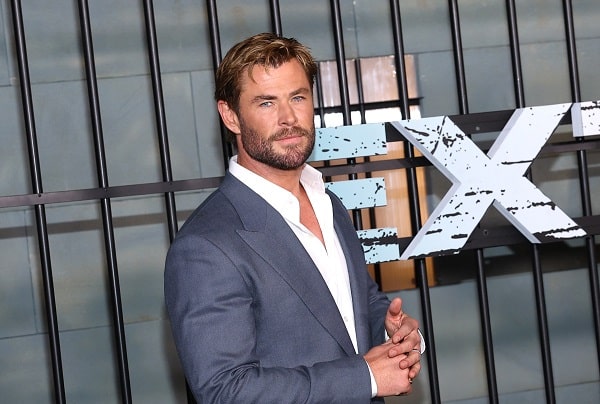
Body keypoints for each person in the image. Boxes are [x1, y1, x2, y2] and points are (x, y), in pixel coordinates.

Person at [164, 32, 424, 403]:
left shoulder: (326, 202)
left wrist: (391, 332)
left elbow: (349, 304)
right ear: (230, 115)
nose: (288, 118)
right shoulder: (205, 246)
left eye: (297, 97)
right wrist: (365, 377)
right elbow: (225, 392)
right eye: (266, 103)